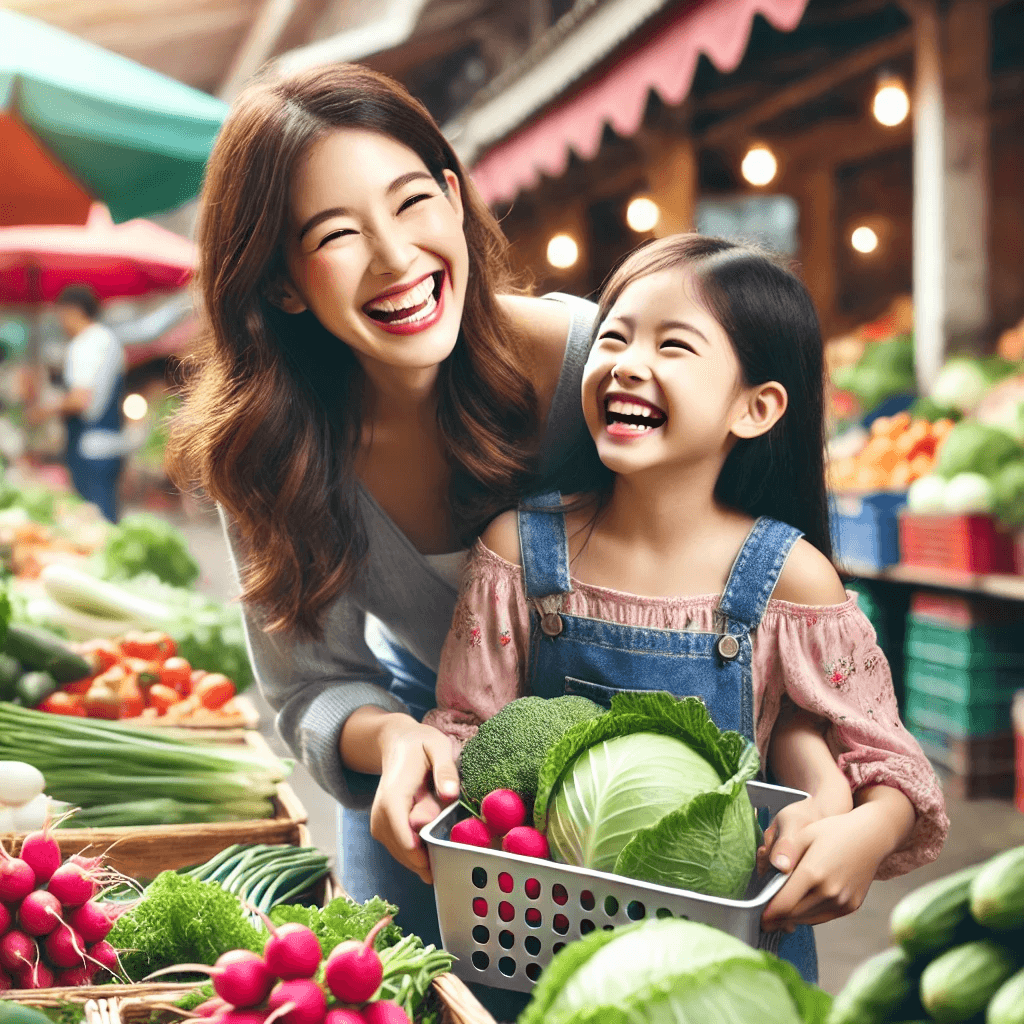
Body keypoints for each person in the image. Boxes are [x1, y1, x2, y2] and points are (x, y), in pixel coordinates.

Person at [164, 62, 596, 997]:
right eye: (335, 235)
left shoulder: (594, 375)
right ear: (281, 284)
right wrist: (395, 742)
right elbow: (309, 687)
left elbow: (781, 596)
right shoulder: (269, 452)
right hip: (434, 778)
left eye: (411, 203)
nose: (397, 257)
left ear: (453, 195)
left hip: (634, 789)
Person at [425, 233, 949, 983]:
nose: (628, 363)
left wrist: (866, 830)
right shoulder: (517, 551)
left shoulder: (790, 580)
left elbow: (888, 761)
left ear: (756, 408)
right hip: (541, 955)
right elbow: (468, 735)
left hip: (728, 963)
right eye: (614, 336)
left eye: (674, 346)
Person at [24, 285, 126, 522]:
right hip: (106, 442)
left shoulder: (88, 343)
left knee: (96, 520)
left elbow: (81, 399)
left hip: (91, 445)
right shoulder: (106, 339)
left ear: (74, 311)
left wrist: (44, 409)